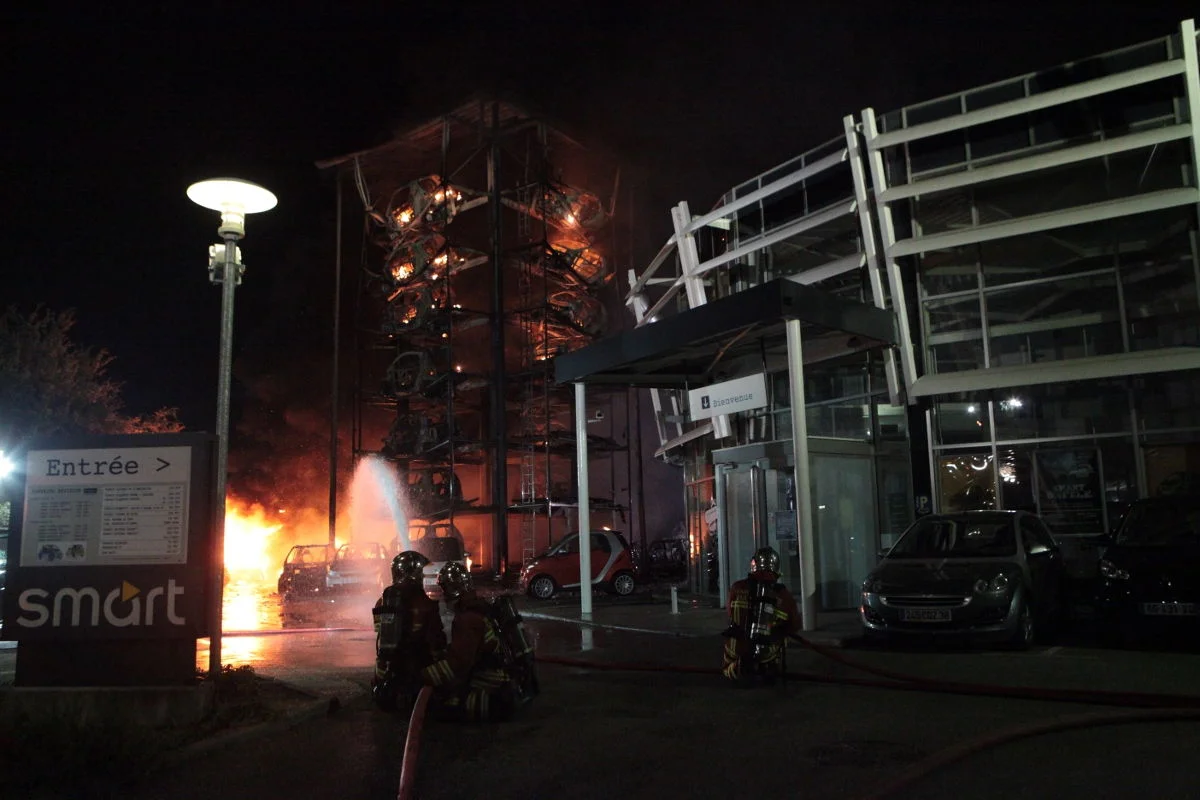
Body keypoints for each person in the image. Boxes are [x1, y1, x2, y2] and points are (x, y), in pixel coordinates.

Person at [421, 562, 519, 722]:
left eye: (444, 589)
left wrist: (425, 676)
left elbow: (458, 664)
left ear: (451, 590)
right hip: (499, 678)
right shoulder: (477, 607)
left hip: (490, 685)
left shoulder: (468, 619)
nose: (443, 596)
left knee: (440, 705)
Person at [371, 550, 447, 711]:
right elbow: (436, 639)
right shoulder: (425, 602)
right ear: (412, 574)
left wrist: (381, 677)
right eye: (420, 573)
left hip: (390, 671)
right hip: (418, 666)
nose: (422, 576)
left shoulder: (383, 601)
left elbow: (381, 637)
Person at [721, 546, 801, 684]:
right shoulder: (784, 595)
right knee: (782, 638)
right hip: (766, 652)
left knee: (728, 663)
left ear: (754, 564)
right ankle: (768, 668)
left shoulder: (737, 587)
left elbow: (730, 613)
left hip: (736, 648)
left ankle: (735, 669)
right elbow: (794, 625)